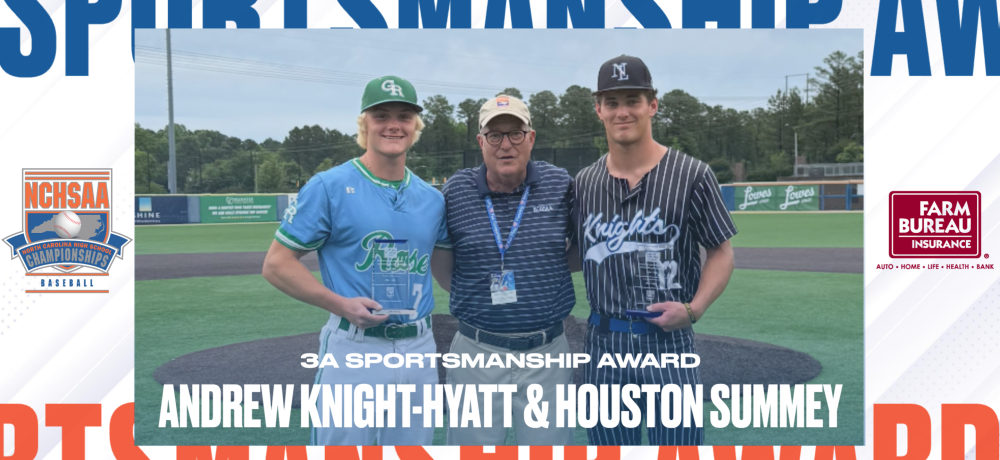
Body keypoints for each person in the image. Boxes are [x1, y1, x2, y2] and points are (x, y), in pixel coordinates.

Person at [262, 75, 446, 446]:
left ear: (416, 126)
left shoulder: (432, 198)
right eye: (381, 115)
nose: (393, 125)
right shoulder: (329, 186)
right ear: (364, 124)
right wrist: (340, 304)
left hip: (418, 347)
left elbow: (446, 272)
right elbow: (277, 264)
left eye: (404, 116)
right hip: (355, 346)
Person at [574, 55, 738, 445]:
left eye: (633, 100)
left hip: (669, 341)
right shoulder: (583, 183)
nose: (623, 112)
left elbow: (721, 252)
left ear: (653, 104)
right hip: (604, 341)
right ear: (598, 109)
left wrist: (695, 308)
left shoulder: (693, 174)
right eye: (612, 102)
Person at [431, 95, 576, 446]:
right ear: (481, 142)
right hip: (476, 350)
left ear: (531, 138)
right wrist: (480, 299)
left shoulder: (560, 184)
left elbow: (579, 251)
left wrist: (540, 280)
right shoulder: (457, 190)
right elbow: (443, 264)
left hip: (547, 352)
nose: (505, 144)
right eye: (494, 135)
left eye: (515, 133)